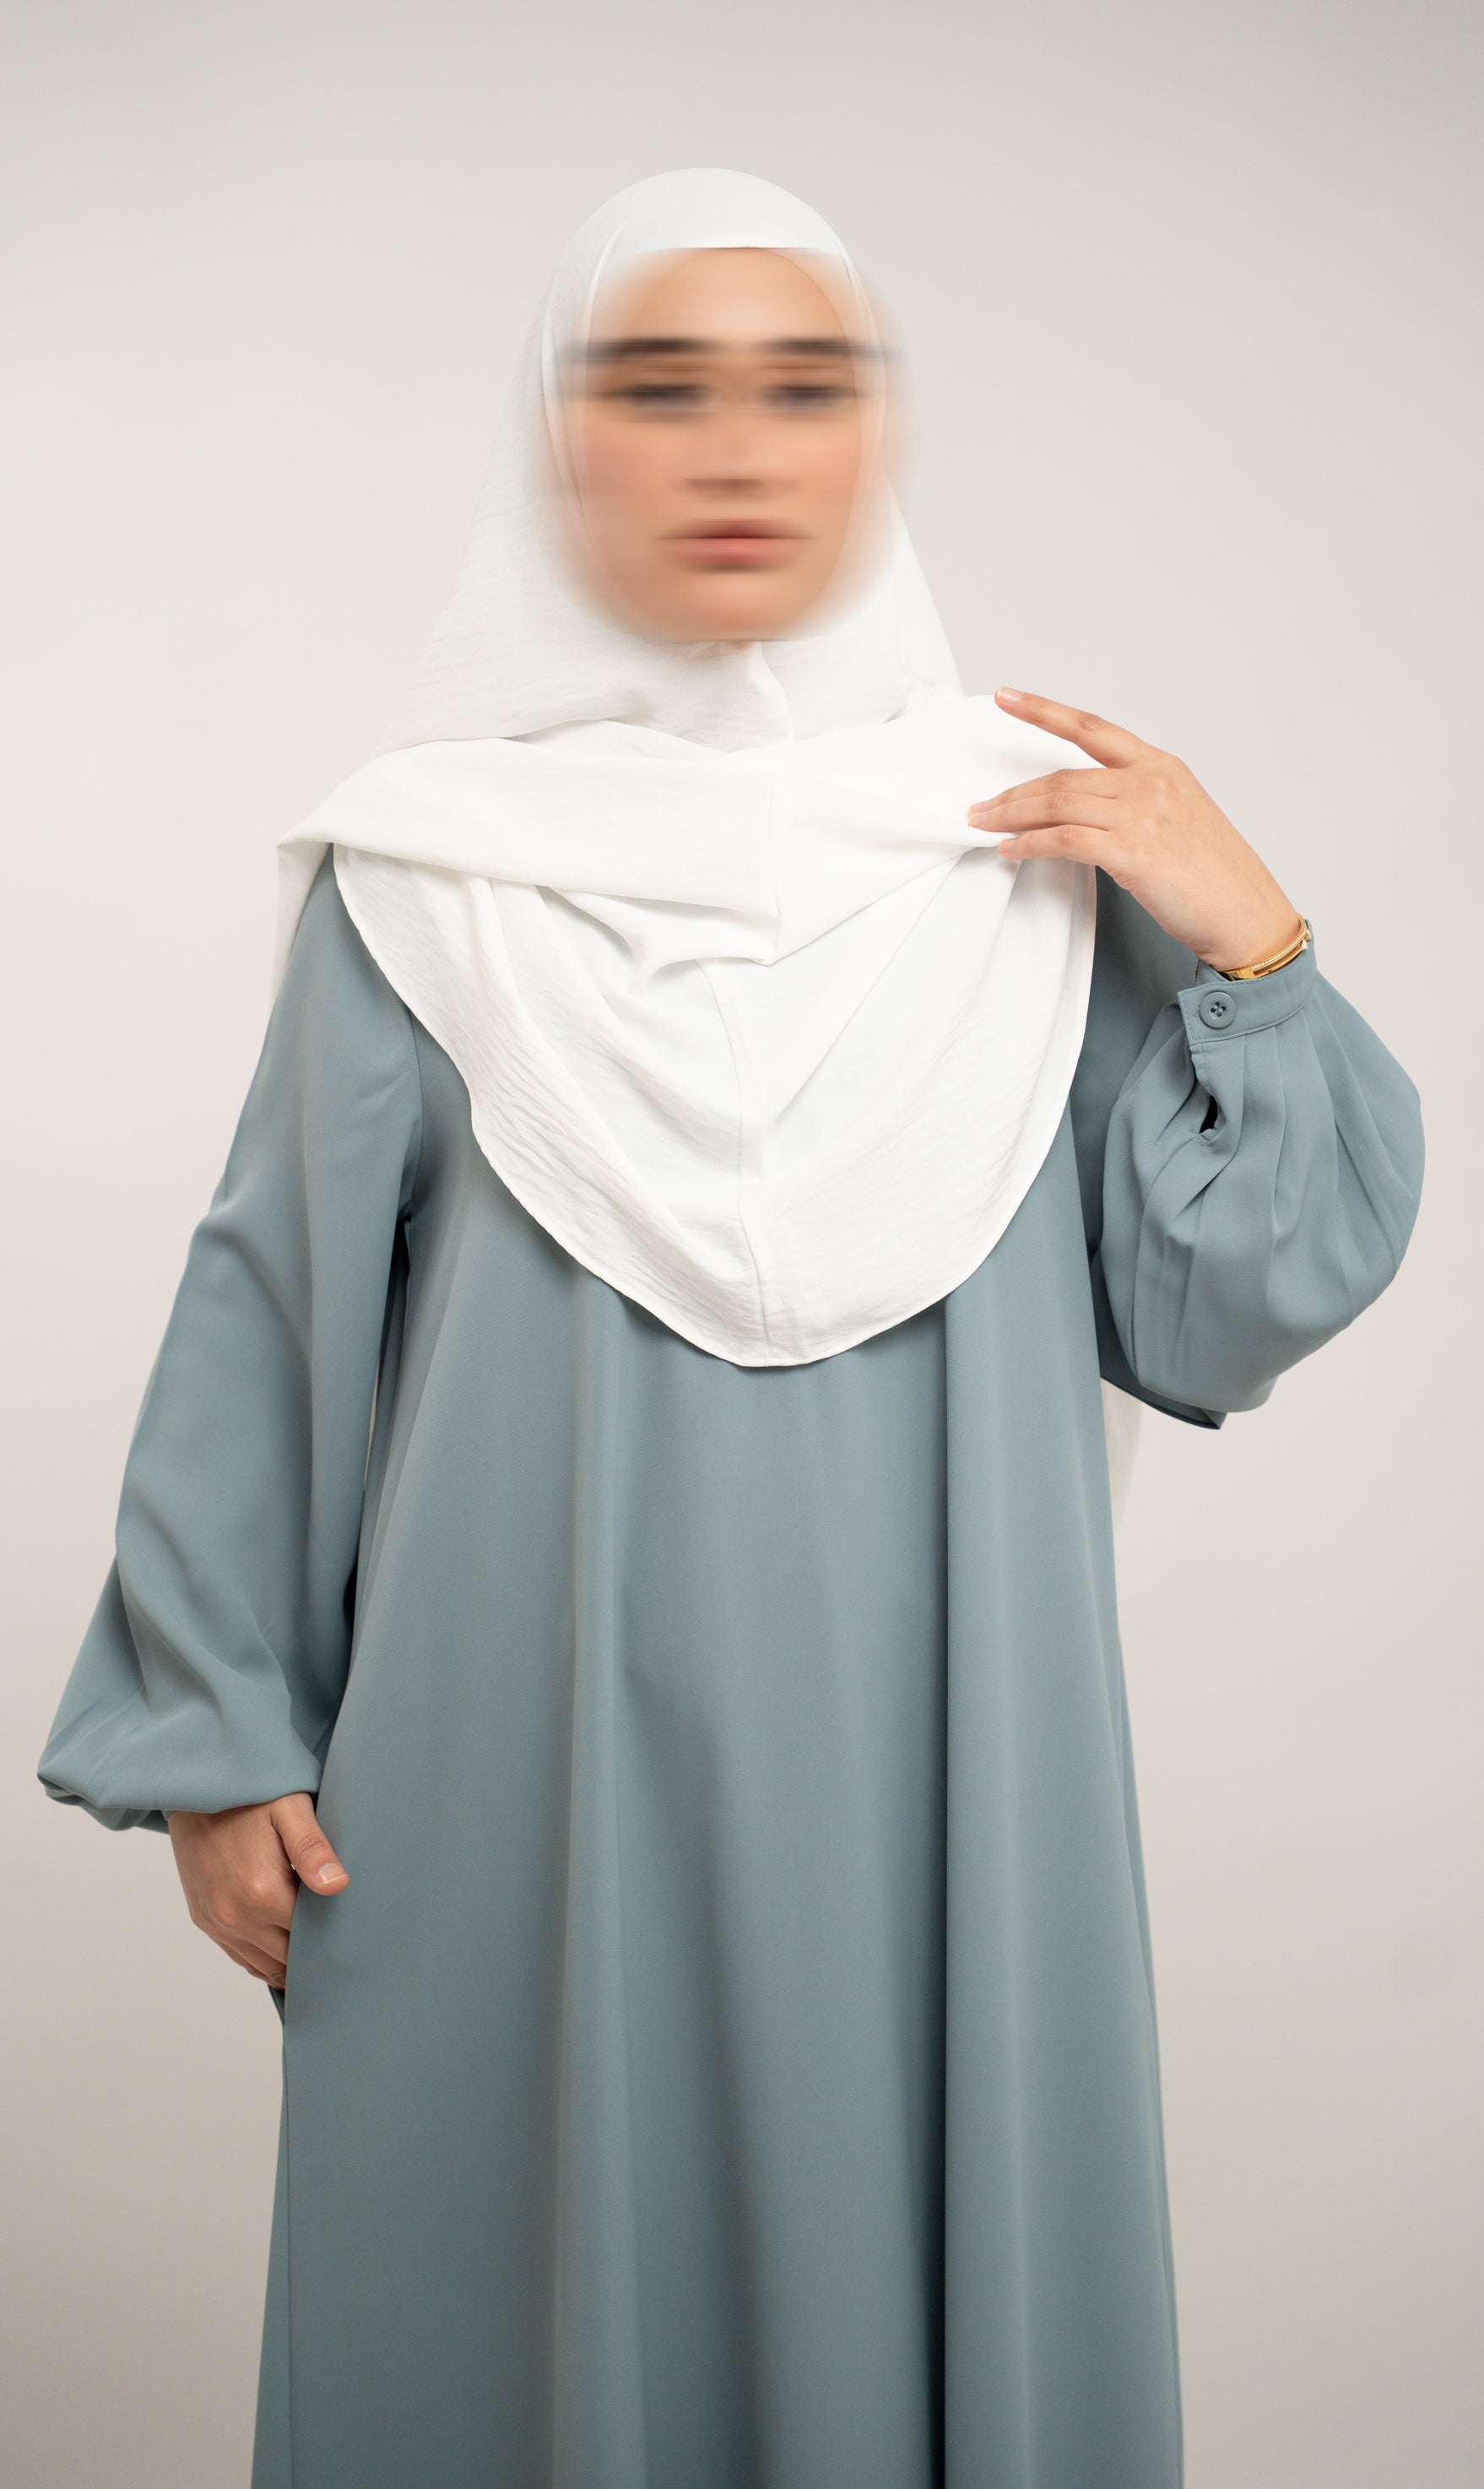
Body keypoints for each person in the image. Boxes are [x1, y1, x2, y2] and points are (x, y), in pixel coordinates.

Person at [37, 169, 1423, 2489]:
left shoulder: (1021, 860)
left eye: (806, 387)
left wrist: (1252, 940)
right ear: (562, 447)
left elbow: (1224, 1305)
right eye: (659, 387)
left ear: (880, 439)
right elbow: (272, 1304)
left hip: (947, 1794)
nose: (738, 450)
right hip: (508, 1810)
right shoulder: (436, 878)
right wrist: (212, 1732)